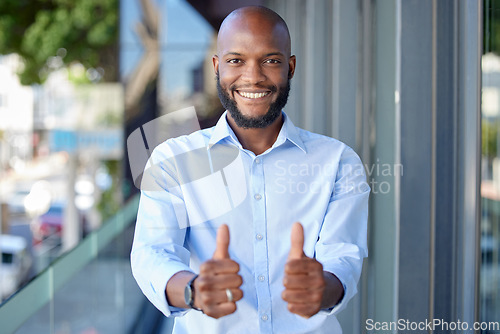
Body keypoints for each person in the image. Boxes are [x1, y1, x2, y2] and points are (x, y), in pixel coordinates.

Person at [131, 5, 369, 334]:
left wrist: (322, 286)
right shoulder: (172, 160)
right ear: (217, 67)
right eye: (236, 60)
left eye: (270, 60)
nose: (253, 76)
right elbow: (152, 253)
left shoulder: (339, 163)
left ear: (290, 67)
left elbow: (344, 257)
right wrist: (194, 289)